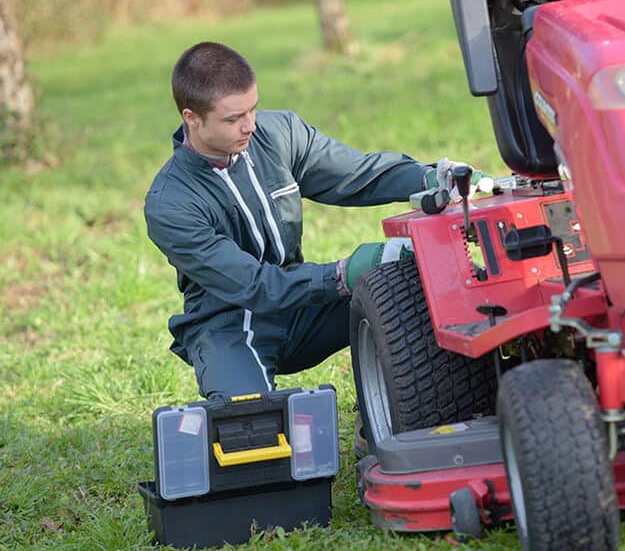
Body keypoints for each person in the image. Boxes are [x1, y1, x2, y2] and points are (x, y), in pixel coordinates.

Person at [145, 41, 485, 400]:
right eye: (232, 119)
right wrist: (342, 273)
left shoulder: (279, 134)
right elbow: (253, 285)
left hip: (302, 305)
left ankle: (391, 416)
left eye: (252, 109)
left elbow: (356, 174)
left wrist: (430, 178)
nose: (249, 126)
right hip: (228, 323)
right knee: (248, 423)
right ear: (191, 118)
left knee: (420, 281)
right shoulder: (171, 204)